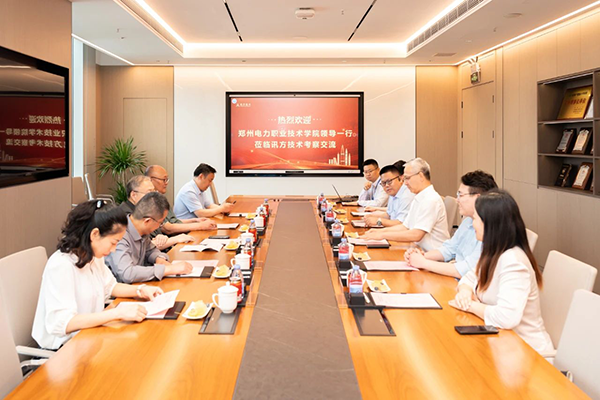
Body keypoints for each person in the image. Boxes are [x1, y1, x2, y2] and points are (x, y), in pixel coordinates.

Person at [32, 200, 163, 350]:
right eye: (113, 242)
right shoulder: (61, 265)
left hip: (90, 336)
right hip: (63, 348)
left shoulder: (94, 256)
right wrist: (117, 313)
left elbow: (110, 287)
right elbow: (63, 323)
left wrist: (140, 290)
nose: (114, 249)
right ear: (94, 234)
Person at [452, 190, 553, 355]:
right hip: (500, 341)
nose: (473, 224)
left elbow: (506, 317)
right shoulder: (493, 251)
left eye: (475, 219)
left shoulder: (513, 261)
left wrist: (469, 305)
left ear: (490, 224)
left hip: (527, 351)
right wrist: (464, 292)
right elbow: (469, 278)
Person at [406, 170, 498, 278]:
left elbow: (465, 270)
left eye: (461, 195)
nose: (457, 200)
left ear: (477, 198)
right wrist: (421, 256)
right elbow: (449, 249)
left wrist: (423, 262)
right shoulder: (468, 220)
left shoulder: (491, 230)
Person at [362, 158, 449, 251]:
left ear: (420, 176)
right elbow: (405, 227)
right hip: (417, 250)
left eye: (407, 178)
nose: (405, 183)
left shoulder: (430, 199)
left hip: (432, 253)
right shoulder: (418, 197)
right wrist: (379, 231)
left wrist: (382, 235)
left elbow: (416, 235)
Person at [106, 192, 193, 283]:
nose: (160, 226)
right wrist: (167, 269)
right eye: (160, 223)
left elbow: (150, 250)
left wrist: (159, 259)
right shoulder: (119, 235)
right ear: (147, 221)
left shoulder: (141, 229)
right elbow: (127, 273)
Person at [121, 175, 195, 251]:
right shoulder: (126, 216)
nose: (153, 197)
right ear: (134, 195)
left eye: (154, 192)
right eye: (149, 193)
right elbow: (145, 248)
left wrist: (161, 237)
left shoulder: (147, 209)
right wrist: (175, 239)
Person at [145, 165, 217, 234]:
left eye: (167, 180)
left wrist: (196, 221)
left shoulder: (160, 199)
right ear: (150, 180)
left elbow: (173, 221)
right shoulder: (149, 202)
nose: (166, 183)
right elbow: (167, 228)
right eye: (164, 180)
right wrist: (200, 226)